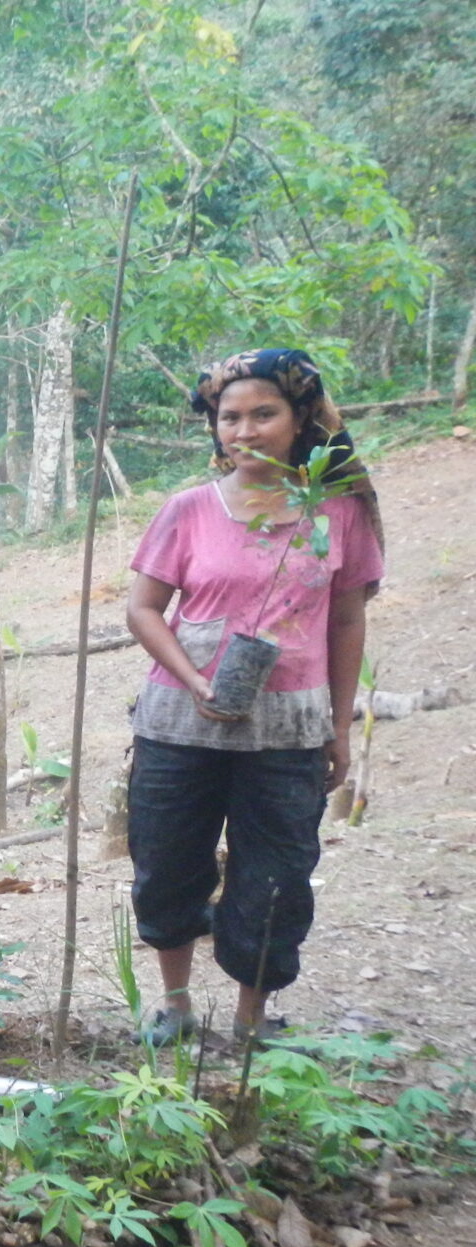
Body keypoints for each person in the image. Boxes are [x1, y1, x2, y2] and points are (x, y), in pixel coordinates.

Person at [124, 349, 382, 1046]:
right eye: (228, 417)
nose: (244, 431)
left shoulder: (337, 513)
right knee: (167, 866)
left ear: (300, 420)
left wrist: (340, 726)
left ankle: (249, 1022)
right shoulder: (186, 511)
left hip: (290, 730)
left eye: (262, 413)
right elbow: (144, 610)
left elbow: (347, 618)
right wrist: (195, 677)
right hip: (180, 724)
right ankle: (174, 1004)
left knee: (276, 879)